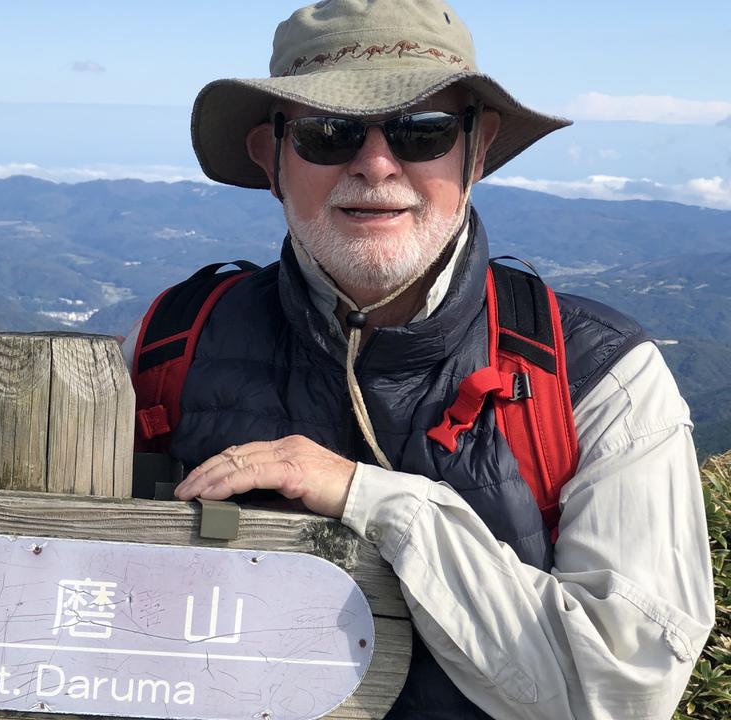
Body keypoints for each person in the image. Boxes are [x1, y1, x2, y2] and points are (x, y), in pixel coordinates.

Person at [149, 1, 715, 718]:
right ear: (273, 159)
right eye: (331, 133)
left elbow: (624, 688)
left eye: (423, 131)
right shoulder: (172, 343)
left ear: (476, 152)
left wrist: (371, 499)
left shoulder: (598, 377)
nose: (377, 164)